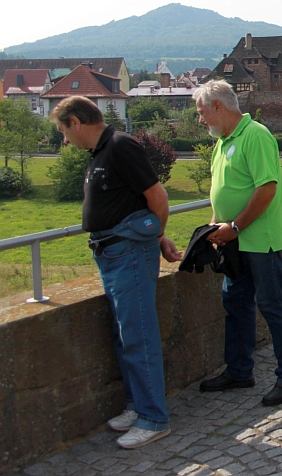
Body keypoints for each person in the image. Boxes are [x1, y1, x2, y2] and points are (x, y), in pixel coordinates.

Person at [49, 96, 181, 449]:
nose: (64, 139)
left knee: (138, 335)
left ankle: (154, 418)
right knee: (126, 334)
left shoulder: (121, 146)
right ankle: (137, 406)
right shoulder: (101, 151)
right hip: (113, 252)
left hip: (129, 252)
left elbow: (157, 197)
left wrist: (156, 238)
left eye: (63, 131)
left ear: (76, 122)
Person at [194, 80, 282, 407]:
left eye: (202, 113)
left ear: (218, 106)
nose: (201, 120)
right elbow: (223, 189)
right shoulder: (224, 141)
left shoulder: (255, 135)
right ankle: (239, 370)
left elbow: (267, 189)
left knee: (273, 306)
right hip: (233, 239)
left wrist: (236, 226)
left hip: (259, 239)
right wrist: (217, 226)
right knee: (235, 303)